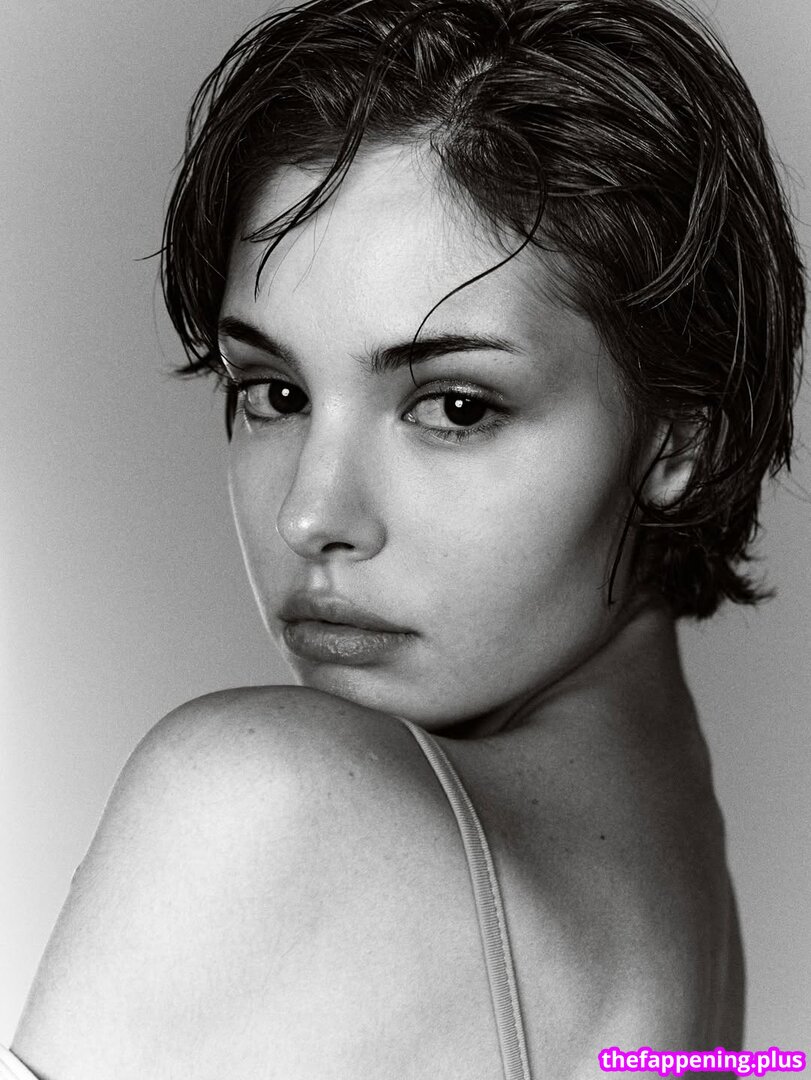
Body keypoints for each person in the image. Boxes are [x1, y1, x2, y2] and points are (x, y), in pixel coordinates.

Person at [3, 0, 804, 1076]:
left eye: (456, 408)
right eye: (275, 392)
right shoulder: (682, 909)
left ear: (677, 443)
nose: (311, 515)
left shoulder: (262, 800)